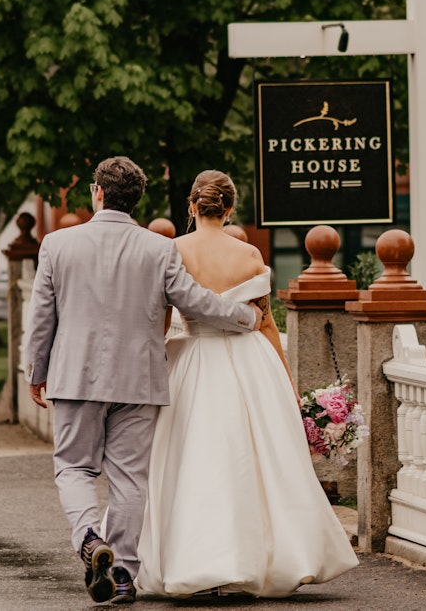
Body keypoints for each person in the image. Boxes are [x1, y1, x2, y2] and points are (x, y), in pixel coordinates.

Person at [23, 157, 263, 605]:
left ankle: (90, 541)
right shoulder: (158, 249)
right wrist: (246, 314)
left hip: (76, 378)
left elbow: (41, 319)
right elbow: (195, 301)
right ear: (136, 200)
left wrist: (36, 371)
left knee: (74, 468)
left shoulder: (57, 244)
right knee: (130, 479)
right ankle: (123, 577)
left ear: (97, 192)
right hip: (140, 380)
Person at [135, 170, 359, 598]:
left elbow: (161, 324)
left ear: (191, 206)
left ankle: (195, 560)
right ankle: (270, 558)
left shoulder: (172, 251)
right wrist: (288, 385)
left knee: (190, 458)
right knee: (258, 461)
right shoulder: (250, 255)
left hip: (191, 358)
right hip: (250, 360)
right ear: (230, 208)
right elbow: (268, 323)